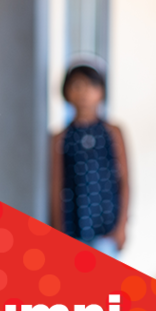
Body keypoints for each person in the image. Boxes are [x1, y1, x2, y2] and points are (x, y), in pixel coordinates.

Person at [50, 61, 129, 258]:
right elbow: (56, 184)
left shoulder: (112, 132)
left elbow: (125, 181)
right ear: (66, 92)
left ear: (101, 92)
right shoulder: (61, 138)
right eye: (77, 86)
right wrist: (57, 228)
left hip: (106, 225)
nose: (84, 93)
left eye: (91, 86)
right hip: (73, 225)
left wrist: (122, 226)